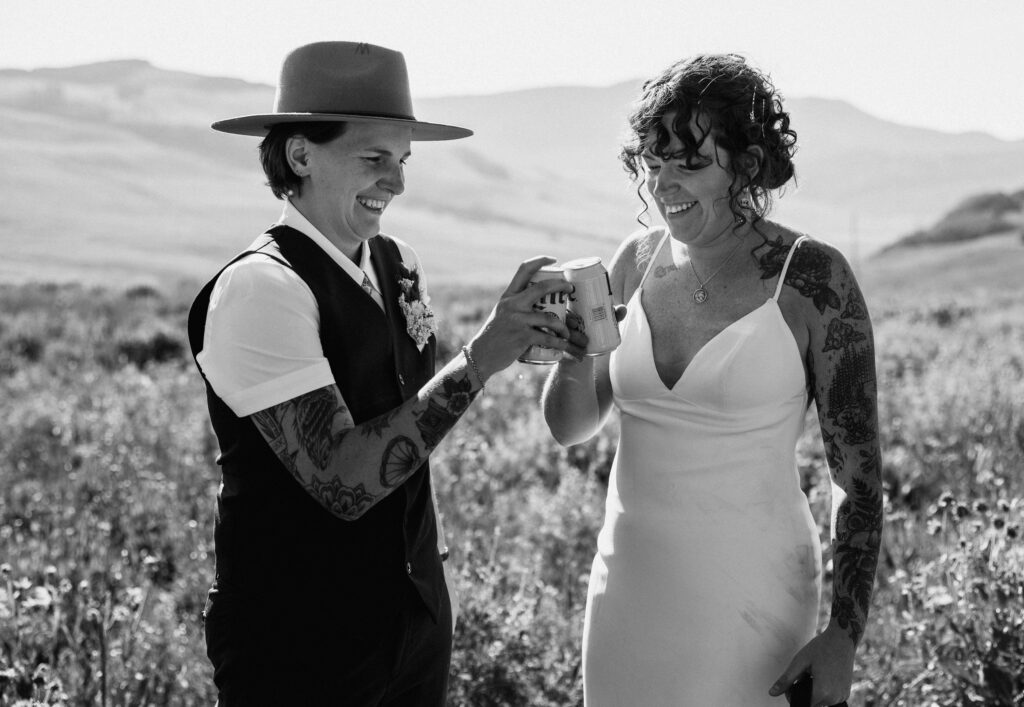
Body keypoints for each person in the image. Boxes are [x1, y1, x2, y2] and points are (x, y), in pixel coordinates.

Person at [187, 41, 578, 706]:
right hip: (296, 640)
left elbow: (404, 413)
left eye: (402, 160)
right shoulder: (260, 288)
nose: (396, 182)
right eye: (374, 158)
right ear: (300, 154)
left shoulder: (399, 264)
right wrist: (481, 358)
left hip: (415, 619)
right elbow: (341, 479)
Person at [542, 54, 882, 706]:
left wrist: (844, 635)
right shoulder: (631, 261)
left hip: (754, 602)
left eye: (690, 163)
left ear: (748, 165)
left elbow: (857, 477)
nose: (665, 182)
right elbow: (569, 428)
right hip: (627, 592)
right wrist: (574, 353)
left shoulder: (814, 279)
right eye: (653, 162)